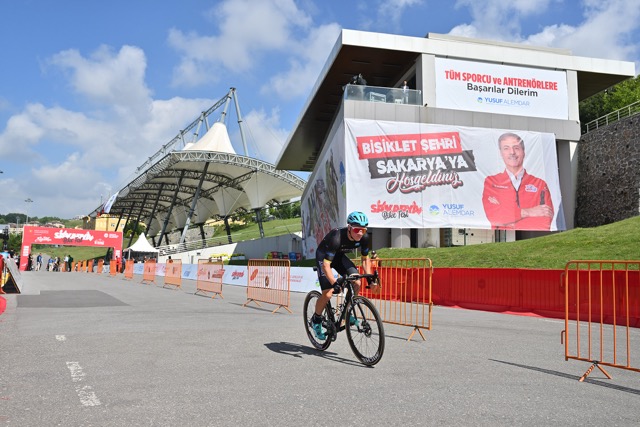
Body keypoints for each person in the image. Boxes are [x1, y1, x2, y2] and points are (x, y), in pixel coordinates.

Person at [311, 211, 376, 340]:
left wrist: (370, 279)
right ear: (349, 228)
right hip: (324, 257)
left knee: (357, 282)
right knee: (328, 293)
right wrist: (334, 283)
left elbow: (365, 259)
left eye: (363, 230)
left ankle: (347, 312)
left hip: (339, 257)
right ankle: (316, 320)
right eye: (356, 230)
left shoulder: (364, 237)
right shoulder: (336, 237)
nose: (360, 233)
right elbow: (326, 265)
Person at [482, 132, 554, 230]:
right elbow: (495, 217)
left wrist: (508, 218)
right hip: (501, 238)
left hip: (533, 237)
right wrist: (529, 212)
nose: (512, 152)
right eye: (506, 148)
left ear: (523, 152)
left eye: (516, 148)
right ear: (501, 153)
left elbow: (545, 219)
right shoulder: (492, 182)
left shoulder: (540, 184)